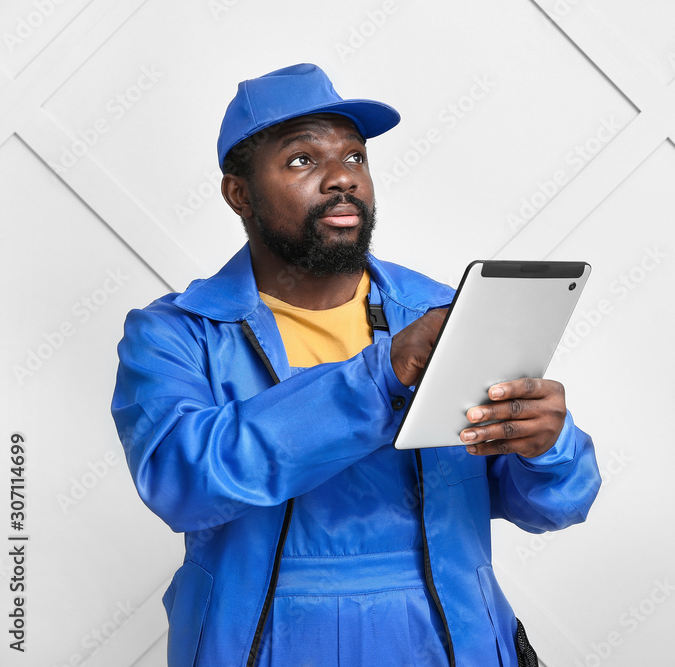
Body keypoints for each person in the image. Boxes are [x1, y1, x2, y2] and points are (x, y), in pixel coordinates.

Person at [111, 63, 600, 667]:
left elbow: (551, 506)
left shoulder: (440, 313)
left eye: (355, 158)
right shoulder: (176, 334)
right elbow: (181, 482)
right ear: (239, 193)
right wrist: (382, 373)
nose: (342, 179)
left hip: (453, 644)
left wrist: (546, 446)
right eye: (302, 160)